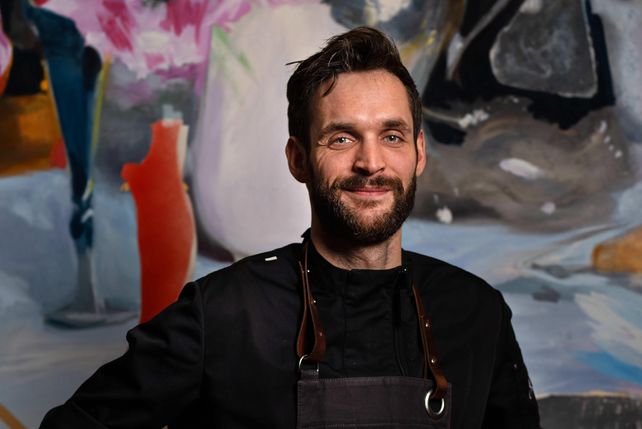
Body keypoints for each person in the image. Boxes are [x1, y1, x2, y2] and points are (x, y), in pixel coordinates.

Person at [40, 27, 540, 429]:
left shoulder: (478, 313)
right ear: (298, 159)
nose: (371, 162)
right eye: (342, 138)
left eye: (392, 135)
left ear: (419, 152)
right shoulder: (224, 314)